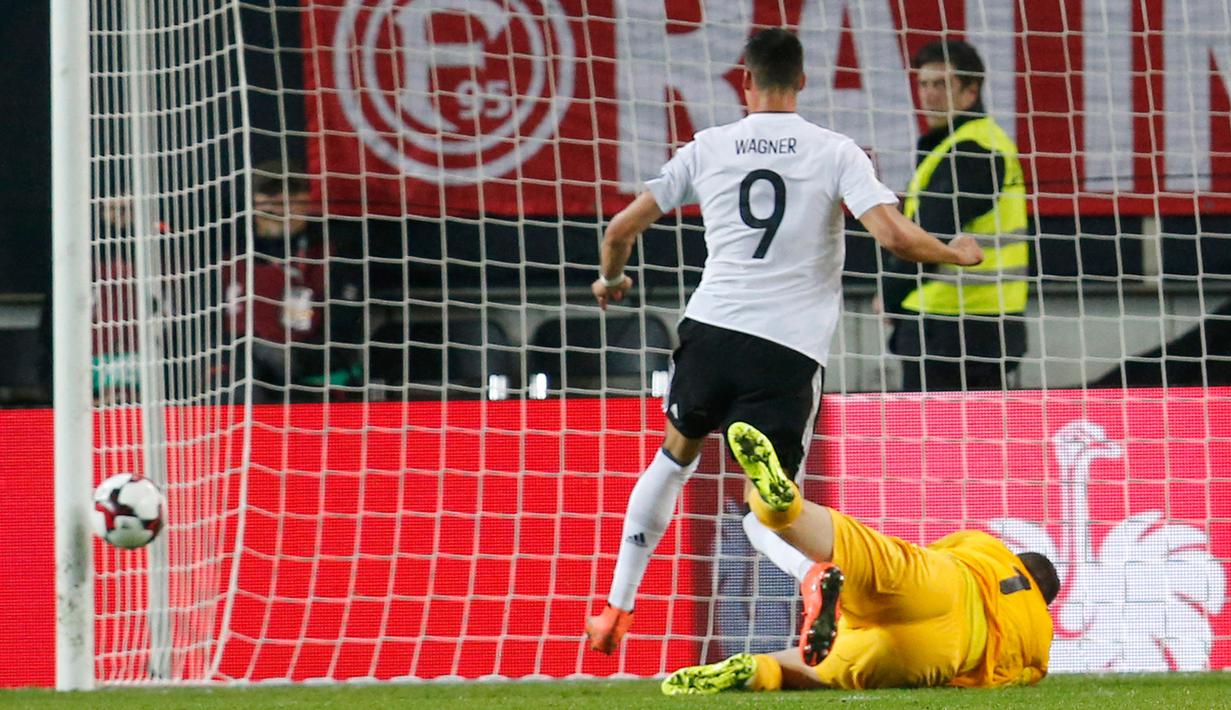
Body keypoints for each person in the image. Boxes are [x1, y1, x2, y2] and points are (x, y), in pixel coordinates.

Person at [585, 28, 984, 654]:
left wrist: (612, 279)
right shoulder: (836, 151)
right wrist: (954, 252)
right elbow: (895, 237)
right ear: (802, 82)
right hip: (787, 351)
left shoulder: (708, 147)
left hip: (713, 330)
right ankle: (811, 573)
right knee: (767, 504)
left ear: (745, 81)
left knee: (673, 459)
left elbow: (619, 228)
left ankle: (615, 608)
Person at [661, 424, 1057, 694]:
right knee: (826, 670)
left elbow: (937, 551)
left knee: (861, 550)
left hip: (947, 585)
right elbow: (1012, 679)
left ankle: (784, 510)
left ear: (1020, 559)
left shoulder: (990, 550)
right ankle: (756, 671)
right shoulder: (1040, 639)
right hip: (945, 653)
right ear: (1044, 600)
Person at [883, 40, 1031, 392]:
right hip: (980, 326)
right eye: (924, 84)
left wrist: (889, 295)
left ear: (970, 92)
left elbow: (928, 235)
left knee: (931, 442)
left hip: (951, 329)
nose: (929, 95)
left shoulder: (971, 151)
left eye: (941, 84)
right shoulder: (975, 142)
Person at [220, 162, 364, 402]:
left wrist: (291, 353)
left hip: (309, 363)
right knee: (239, 365)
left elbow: (344, 326)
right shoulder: (230, 256)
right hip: (241, 365)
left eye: (293, 191)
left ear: (308, 199)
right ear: (253, 200)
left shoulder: (330, 252)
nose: (283, 199)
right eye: (271, 191)